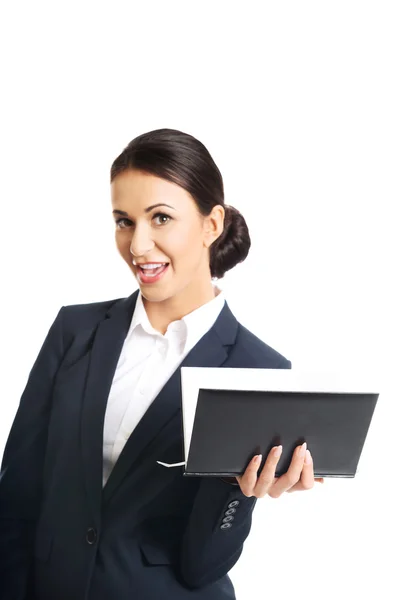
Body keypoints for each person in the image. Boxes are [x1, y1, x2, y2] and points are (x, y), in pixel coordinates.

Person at [0, 128, 323, 600]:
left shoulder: (258, 370)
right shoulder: (76, 332)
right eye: (124, 221)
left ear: (211, 225)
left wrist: (240, 493)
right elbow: (16, 495)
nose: (137, 245)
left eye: (161, 218)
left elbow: (202, 566)